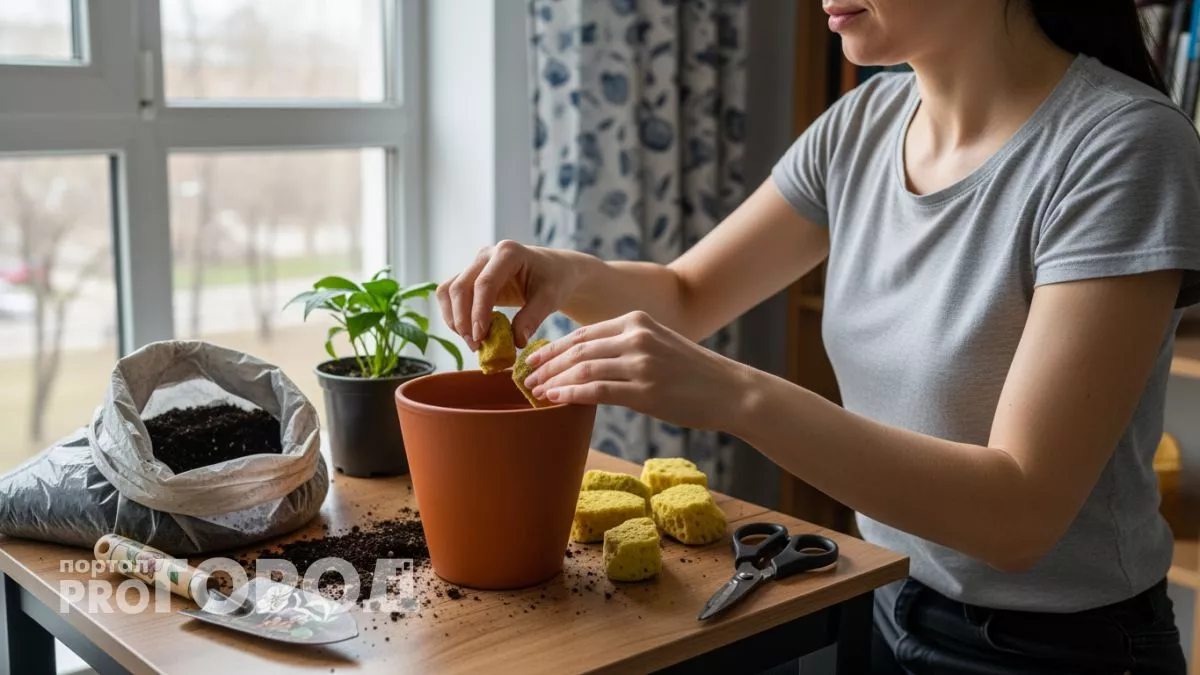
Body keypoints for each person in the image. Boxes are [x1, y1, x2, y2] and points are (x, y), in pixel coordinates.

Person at [436, 0, 1200, 671]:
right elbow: (689, 293)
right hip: (881, 599)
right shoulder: (862, 126)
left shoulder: (1124, 148)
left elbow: (1018, 516)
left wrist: (736, 394)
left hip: (1064, 650)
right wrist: (569, 274)